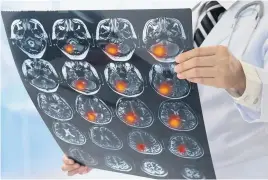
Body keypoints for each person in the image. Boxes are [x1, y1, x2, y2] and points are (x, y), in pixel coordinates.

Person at [61, 1, 268, 178]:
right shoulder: (178, 13)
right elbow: (148, 97)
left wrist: (243, 79)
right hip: (172, 168)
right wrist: (95, 148)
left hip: (239, 171)